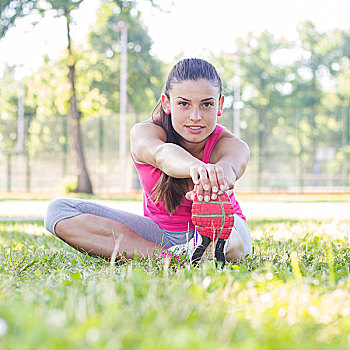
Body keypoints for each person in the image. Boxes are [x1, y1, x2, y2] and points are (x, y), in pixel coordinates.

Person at [44, 58, 252, 264]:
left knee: (230, 241)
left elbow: (230, 168)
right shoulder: (145, 133)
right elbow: (163, 155)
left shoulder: (233, 145)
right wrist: (196, 167)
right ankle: (172, 257)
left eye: (206, 104)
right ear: (166, 103)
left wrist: (218, 177)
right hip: (160, 235)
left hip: (222, 228)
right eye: (184, 104)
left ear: (220, 105)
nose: (195, 116)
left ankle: (200, 251)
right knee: (58, 211)